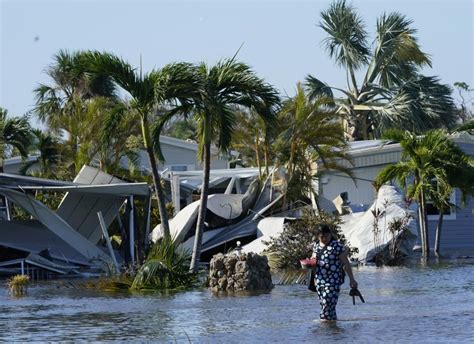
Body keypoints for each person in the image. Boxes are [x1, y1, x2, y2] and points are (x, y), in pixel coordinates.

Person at [311, 224, 358, 321]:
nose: (324, 239)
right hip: (320, 280)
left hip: (333, 280)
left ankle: (323, 326)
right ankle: (333, 330)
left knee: (327, 304)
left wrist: (352, 279)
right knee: (328, 306)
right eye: (322, 237)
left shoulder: (336, 246)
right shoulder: (316, 245)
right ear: (318, 236)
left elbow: (346, 264)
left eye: (326, 236)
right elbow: (313, 258)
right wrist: (310, 262)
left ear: (330, 234)